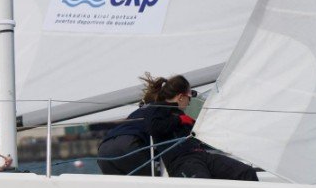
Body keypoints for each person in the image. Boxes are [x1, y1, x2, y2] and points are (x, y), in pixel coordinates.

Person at [95, 74, 258, 180]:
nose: (189, 102)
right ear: (180, 97)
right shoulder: (159, 109)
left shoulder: (147, 109)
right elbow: (156, 128)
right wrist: (182, 121)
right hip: (131, 146)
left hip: (105, 150)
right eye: (189, 97)